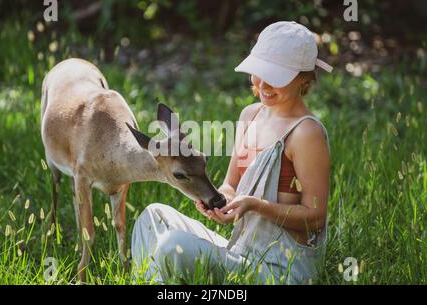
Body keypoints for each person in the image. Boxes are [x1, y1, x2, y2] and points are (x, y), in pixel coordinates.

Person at [131, 21, 333, 284]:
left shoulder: (306, 133)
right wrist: (221, 204)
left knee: (172, 246)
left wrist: (255, 206)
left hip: (280, 270)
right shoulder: (251, 115)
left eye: (276, 77)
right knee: (153, 217)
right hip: (240, 251)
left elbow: (315, 219)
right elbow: (231, 186)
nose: (263, 85)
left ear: (303, 78)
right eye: (259, 73)